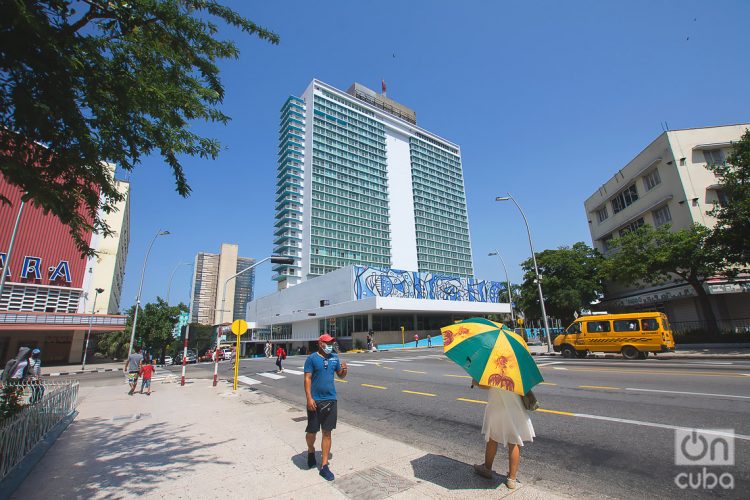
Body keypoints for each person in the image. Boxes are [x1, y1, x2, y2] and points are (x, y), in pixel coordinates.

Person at [472, 382, 535, 489]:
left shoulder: (493, 367)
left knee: (492, 438)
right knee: (514, 442)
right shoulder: (516, 369)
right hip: (515, 407)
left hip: (496, 406)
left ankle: (487, 469)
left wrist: (475, 382)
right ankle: (512, 479)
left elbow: (484, 385)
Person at [304, 333, 348, 481]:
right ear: (320, 343)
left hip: (331, 400)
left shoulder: (334, 357)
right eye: (327, 342)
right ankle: (311, 450)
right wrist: (309, 398)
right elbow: (307, 378)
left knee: (327, 433)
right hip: (315, 401)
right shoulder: (312, 359)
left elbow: (340, 375)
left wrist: (344, 370)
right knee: (312, 431)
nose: (330, 345)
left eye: (331, 343)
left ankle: (324, 466)